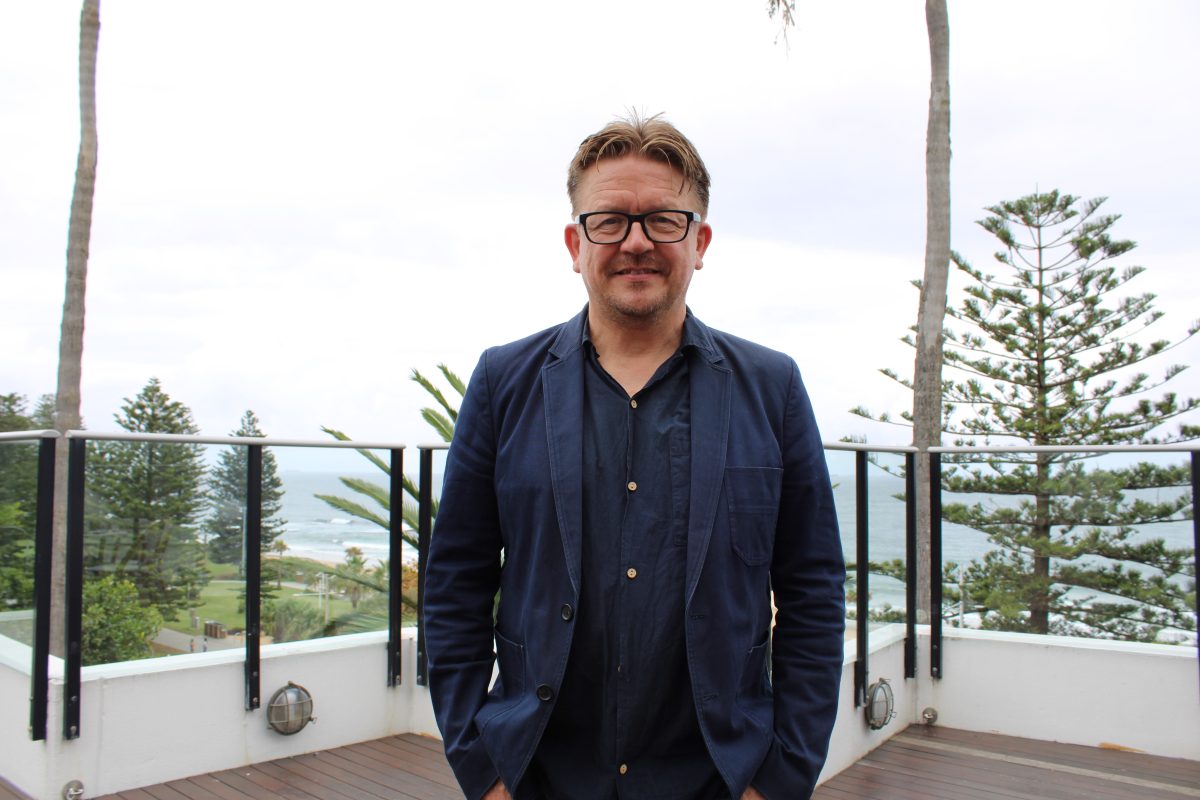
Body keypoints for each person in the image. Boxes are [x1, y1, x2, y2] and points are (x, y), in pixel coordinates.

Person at [424, 113, 845, 800]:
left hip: (720, 775)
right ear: (575, 241)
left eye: (663, 221)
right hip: (536, 774)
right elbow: (455, 584)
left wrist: (782, 777)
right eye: (610, 221)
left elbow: (813, 589)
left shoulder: (771, 387)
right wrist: (482, 768)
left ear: (700, 240)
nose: (636, 242)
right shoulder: (504, 382)